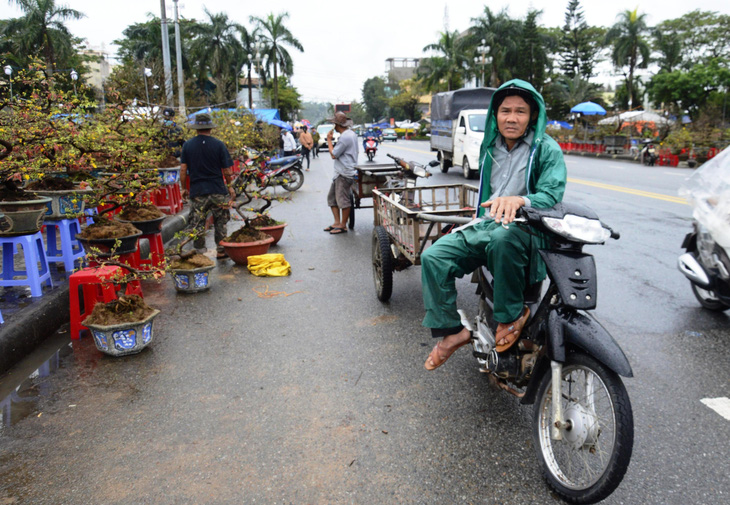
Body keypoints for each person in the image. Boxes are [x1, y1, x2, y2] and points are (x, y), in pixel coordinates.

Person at [420, 79, 567, 370]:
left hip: (526, 228)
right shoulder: (490, 147)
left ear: (533, 116)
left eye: (520, 112)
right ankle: (453, 332)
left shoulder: (546, 149)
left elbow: (552, 194)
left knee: (503, 238)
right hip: (488, 224)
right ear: (495, 115)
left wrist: (520, 201)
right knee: (433, 257)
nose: (512, 118)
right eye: (505, 111)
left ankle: (511, 315)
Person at [179, 113, 236, 259]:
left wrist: (183, 187)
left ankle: (199, 251)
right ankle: (221, 249)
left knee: (198, 221)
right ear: (210, 128)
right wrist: (230, 187)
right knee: (221, 220)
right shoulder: (218, 144)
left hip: (197, 191)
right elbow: (227, 170)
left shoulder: (187, 145)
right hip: (217, 189)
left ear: (196, 129)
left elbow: (183, 169)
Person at [324, 111, 359, 235]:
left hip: (344, 172)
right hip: (341, 171)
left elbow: (334, 154)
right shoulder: (351, 134)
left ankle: (343, 225)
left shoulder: (345, 137)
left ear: (337, 125)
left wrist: (329, 140)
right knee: (332, 198)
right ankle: (337, 222)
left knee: (343, 200)